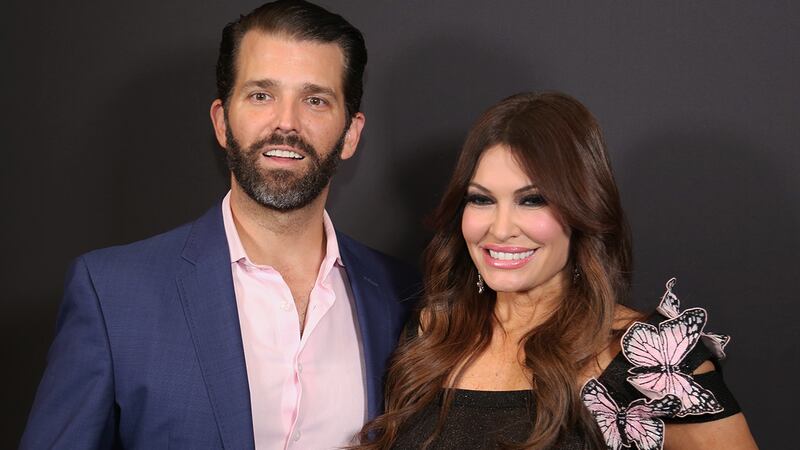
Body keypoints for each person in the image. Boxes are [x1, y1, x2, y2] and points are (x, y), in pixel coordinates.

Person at [20, 1, 418, 449]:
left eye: (315, 100)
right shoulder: (113, 295)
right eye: (261, 95)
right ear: (222, 123)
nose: (286, 123)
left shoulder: (404, 298)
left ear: (351, 134)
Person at [355, 92, 757, 449]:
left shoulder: (647, 358)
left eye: (532, 200)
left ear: (583, 208)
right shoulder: (428, 334)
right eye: (481, 200)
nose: (501, 229)